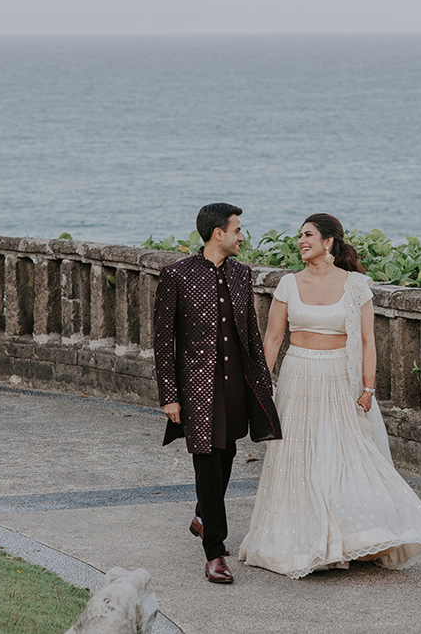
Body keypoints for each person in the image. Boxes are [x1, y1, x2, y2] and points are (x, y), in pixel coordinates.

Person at [238, 213, 421, 578]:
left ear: (328, 242)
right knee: (297, 458)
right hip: (297, 375)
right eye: (299, 236)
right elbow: (273, 339)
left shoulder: (356, 285)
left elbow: (366, 341)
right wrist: (260, 386)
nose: (301, 241)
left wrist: (368, 387)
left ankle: (355, 537)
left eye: (308, 235)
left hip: (337, 379)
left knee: (343, 455)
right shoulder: (287, 284)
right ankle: (307, 541)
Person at [153, 203, 282, 584]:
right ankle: (215, 551)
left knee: (226, 454)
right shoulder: (176, 275)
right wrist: (169, 395)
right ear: (217, 233)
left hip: (235, 384)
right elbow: (163, 342)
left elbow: (252, 336)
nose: (242, 237)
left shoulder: (243, 274)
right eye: (237, 229)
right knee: (207, 460)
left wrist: (262, 381)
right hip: (196, 388)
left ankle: (202, 514)